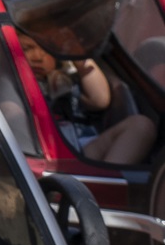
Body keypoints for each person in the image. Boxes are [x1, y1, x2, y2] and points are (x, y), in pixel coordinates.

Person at [18, 36, 154, 166]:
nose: (37, 57)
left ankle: (104, 181)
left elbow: (99, 100)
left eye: (45, 49)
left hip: (80, 150)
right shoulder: (13, 83)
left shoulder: (66, 80)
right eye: (25, 49)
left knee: (141, 125)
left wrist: (80, 61)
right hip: (42, 152)